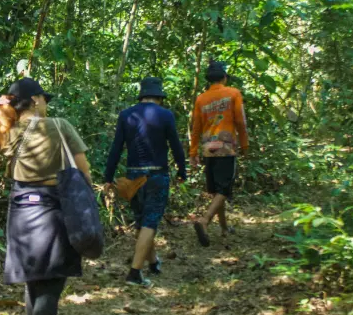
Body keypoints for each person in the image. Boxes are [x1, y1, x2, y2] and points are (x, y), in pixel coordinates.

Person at [0, 77, 91, 315]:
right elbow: (83, 172)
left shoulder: (10, 133)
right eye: (44, 98)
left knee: (34, 285)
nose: (47, 103)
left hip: (21, 215)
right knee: (50, 290)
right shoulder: (58, 126)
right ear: (34, 101)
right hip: (53, 212)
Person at [103, 77, 187, 287]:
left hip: (133, 176)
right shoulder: (165, 115)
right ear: (159, 97)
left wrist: (107, 177)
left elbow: (116, 148)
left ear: (142, 95)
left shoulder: (126, 114)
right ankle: (134, 272)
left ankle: (153, 261)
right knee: (150, 222)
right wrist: (182, 170)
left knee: (142, 221)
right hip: (157, 174)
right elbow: (175, 145)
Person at [190, 60, 249, 247]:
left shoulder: (201, 99)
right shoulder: (233, 93)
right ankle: (205, 220)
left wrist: (193, 151)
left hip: (209, 148)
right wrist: (245, 145)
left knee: (217, 191)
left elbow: (196, 127)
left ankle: (224, 228)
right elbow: (241, 122)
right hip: (226, 146)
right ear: (224, 77)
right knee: (224, 190)